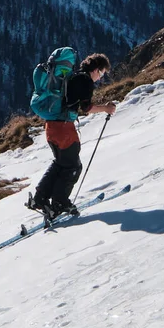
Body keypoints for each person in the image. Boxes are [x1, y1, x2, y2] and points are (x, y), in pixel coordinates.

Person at [29, 52, 115, 223]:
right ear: (96, 70)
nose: (101, 77)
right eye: (102, 73)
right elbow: (87, 108)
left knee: (61, 163)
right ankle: (59, 204)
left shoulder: (73, 76)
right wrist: (106, 108)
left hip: (52, 127)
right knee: (73, 167)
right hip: (64, 130)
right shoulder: (85, 81)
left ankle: (40, 198)